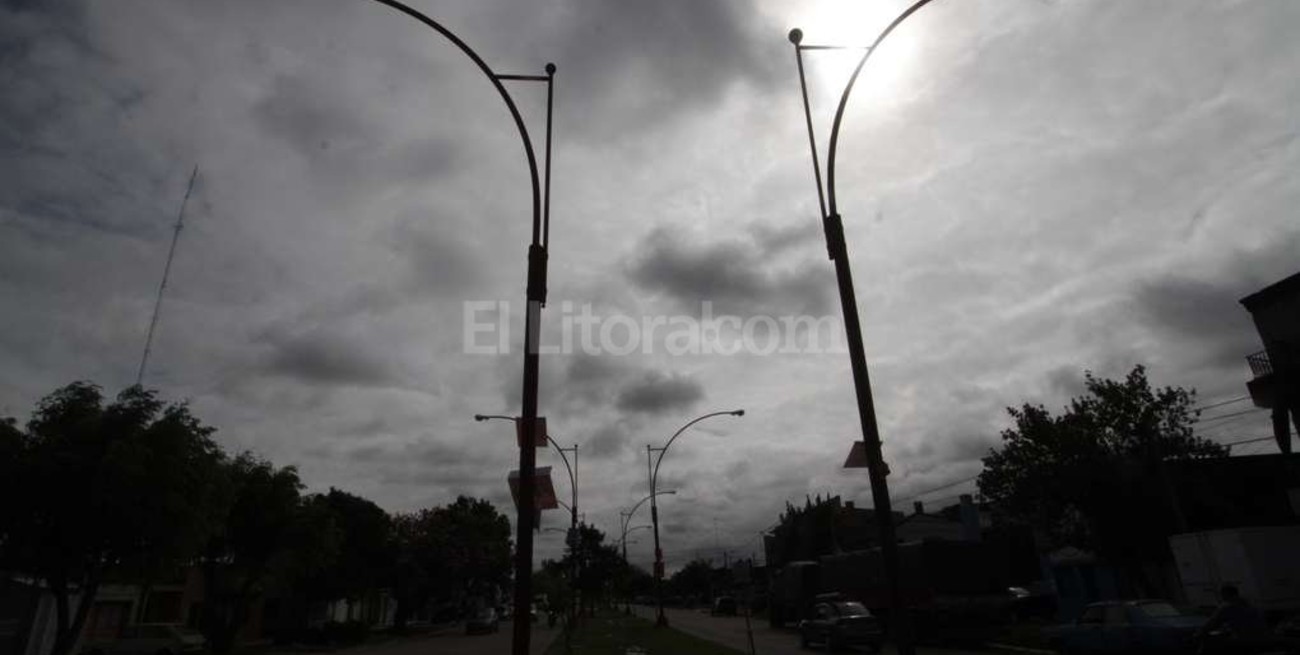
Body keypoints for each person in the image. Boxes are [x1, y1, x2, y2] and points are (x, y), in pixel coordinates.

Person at [1196, 584, 1272, 654]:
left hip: (1245, 641)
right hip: (1264, 639)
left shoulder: (1227, 607)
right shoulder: (1249, 605)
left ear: (1226, 594)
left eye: (1222, 594)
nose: (1221, 597)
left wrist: (1199, 634)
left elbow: (1212, 624)